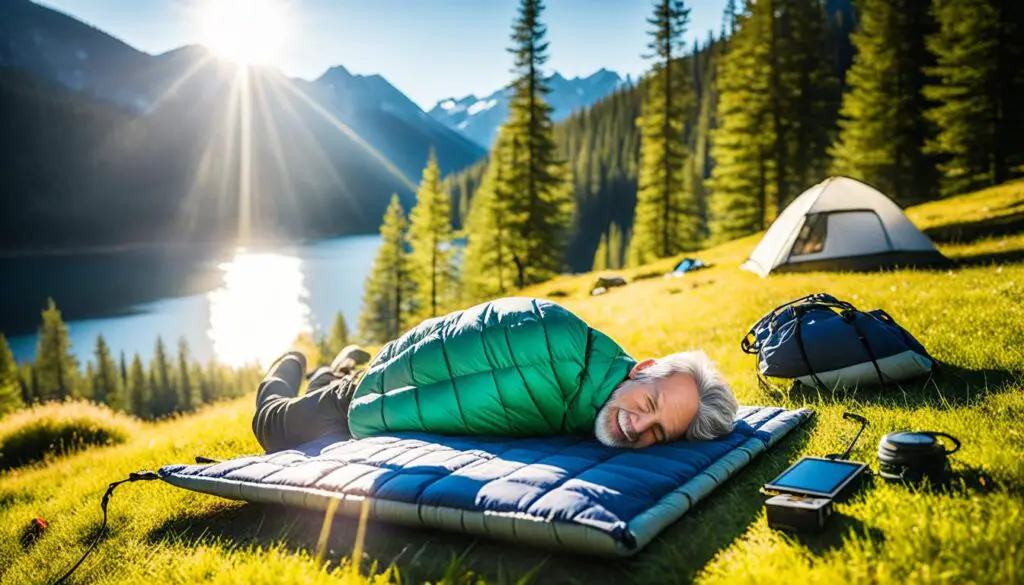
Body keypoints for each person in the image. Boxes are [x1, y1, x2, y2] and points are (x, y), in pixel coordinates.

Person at [252, 297, 738, 453]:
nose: (639, 428)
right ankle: (291, 363)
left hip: (379, 396)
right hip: (371, 393)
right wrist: (365, 412)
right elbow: (445, 347)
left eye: (658, 433)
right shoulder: (555, 341)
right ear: (644, 368)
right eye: (649, 406)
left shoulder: (590, 404)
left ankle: (331, 369)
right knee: (272, 426)